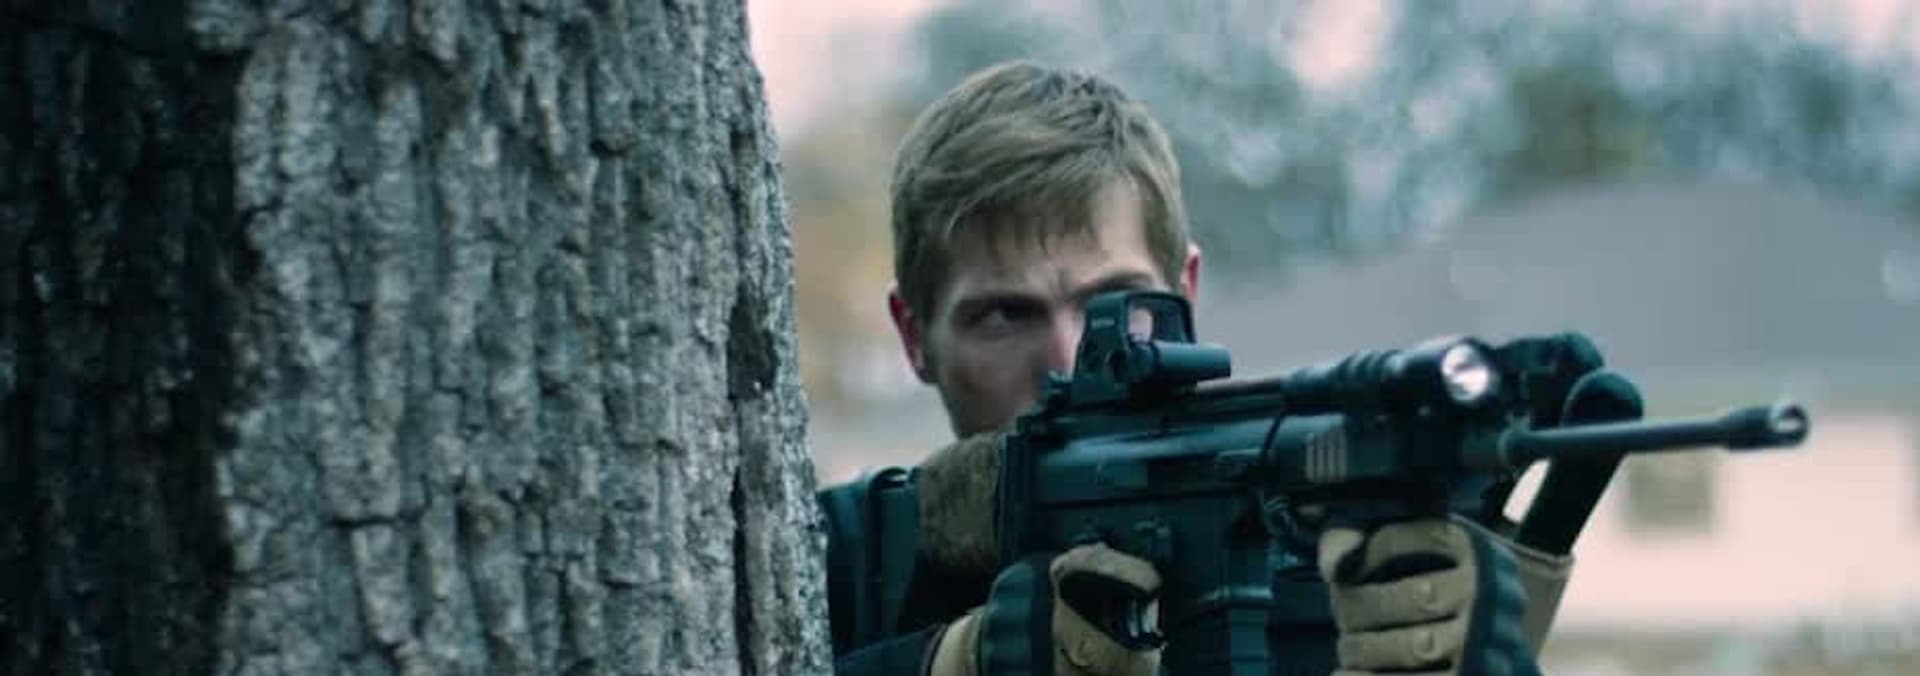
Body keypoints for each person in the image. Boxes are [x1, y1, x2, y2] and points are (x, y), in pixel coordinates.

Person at [816, 60, 1574, 676]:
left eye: (1113, 304)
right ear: (913, 337)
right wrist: (951, 664)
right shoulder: (837, 557)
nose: (1067, 362)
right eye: (1004, 315)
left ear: (1186, 293)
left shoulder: (1325, 569)